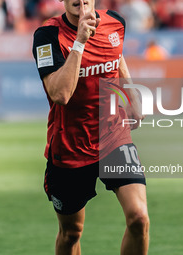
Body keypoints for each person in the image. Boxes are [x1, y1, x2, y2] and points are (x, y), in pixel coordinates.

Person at [32, 0, 149, 254]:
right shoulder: (47, 36)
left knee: (139, 218)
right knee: (71, 233)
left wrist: (131, 94)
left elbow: (115, 56)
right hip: (70, 147)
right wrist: (80, 42)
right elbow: (60, 94)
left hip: (113, 135)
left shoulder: (115, 22)